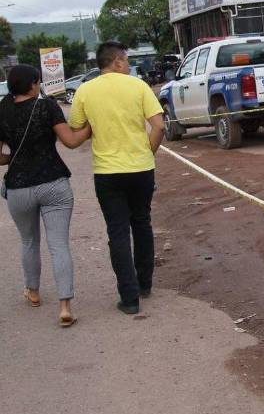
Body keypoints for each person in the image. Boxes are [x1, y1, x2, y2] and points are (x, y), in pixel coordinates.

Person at [69, 42, 165, 315]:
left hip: (107, 172)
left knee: (117, 231)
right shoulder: (138, 86)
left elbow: (77, 127)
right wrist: (148, 152)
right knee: (142, 223)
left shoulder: (85, 91)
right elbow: (159, 126)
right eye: (127, 60)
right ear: (117, 62)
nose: (129, 65)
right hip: (141, 169)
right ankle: (145, 283)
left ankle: (129, 297)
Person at [0, 64, 91, 327]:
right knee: (59, 244)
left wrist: (14, 158)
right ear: (33, 84)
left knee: (29, 241)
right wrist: (89, 128)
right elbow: (71, 141)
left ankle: (33, 292)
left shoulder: (2, 111)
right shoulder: (47, 107)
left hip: (19, 187)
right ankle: (65, 307)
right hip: (54, 183)